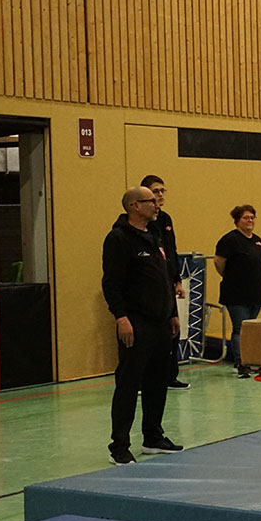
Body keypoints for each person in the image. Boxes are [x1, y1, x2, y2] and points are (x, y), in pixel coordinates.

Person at [101, 186, 184, 464]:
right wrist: (121, 318)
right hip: (135, 322)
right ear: (135, 205)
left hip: (161, 322)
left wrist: (172, 313)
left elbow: (164, 278)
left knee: (157, 381)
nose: (157, 204)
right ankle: (119, 446)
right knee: (128, 384)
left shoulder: (155, 234)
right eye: (151, 200)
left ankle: (153, 436)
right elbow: (111, 283)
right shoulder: (119, 238)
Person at [139, 174, 189, 390]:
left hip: (167, 282)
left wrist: (177, 280)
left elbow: (171, 251)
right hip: (148, 287)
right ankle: (141, 380)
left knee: (172, 332)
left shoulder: (166, 219)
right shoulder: (142, 222)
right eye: (155, 191)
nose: (160, 195)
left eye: (162, 191)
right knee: (147, 338)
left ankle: (169, 376)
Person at [215, 204, 261, 378]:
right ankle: (241, 363)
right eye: (246, 217)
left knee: (251, 328)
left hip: (256, 292)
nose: (250, 220)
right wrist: (231, 277)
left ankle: (250, 360)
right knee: (240, 327)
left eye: (252, 217)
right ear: (237, 220)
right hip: (236, 293)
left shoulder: (257, 240)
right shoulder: (229, 240)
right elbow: (219, 262)